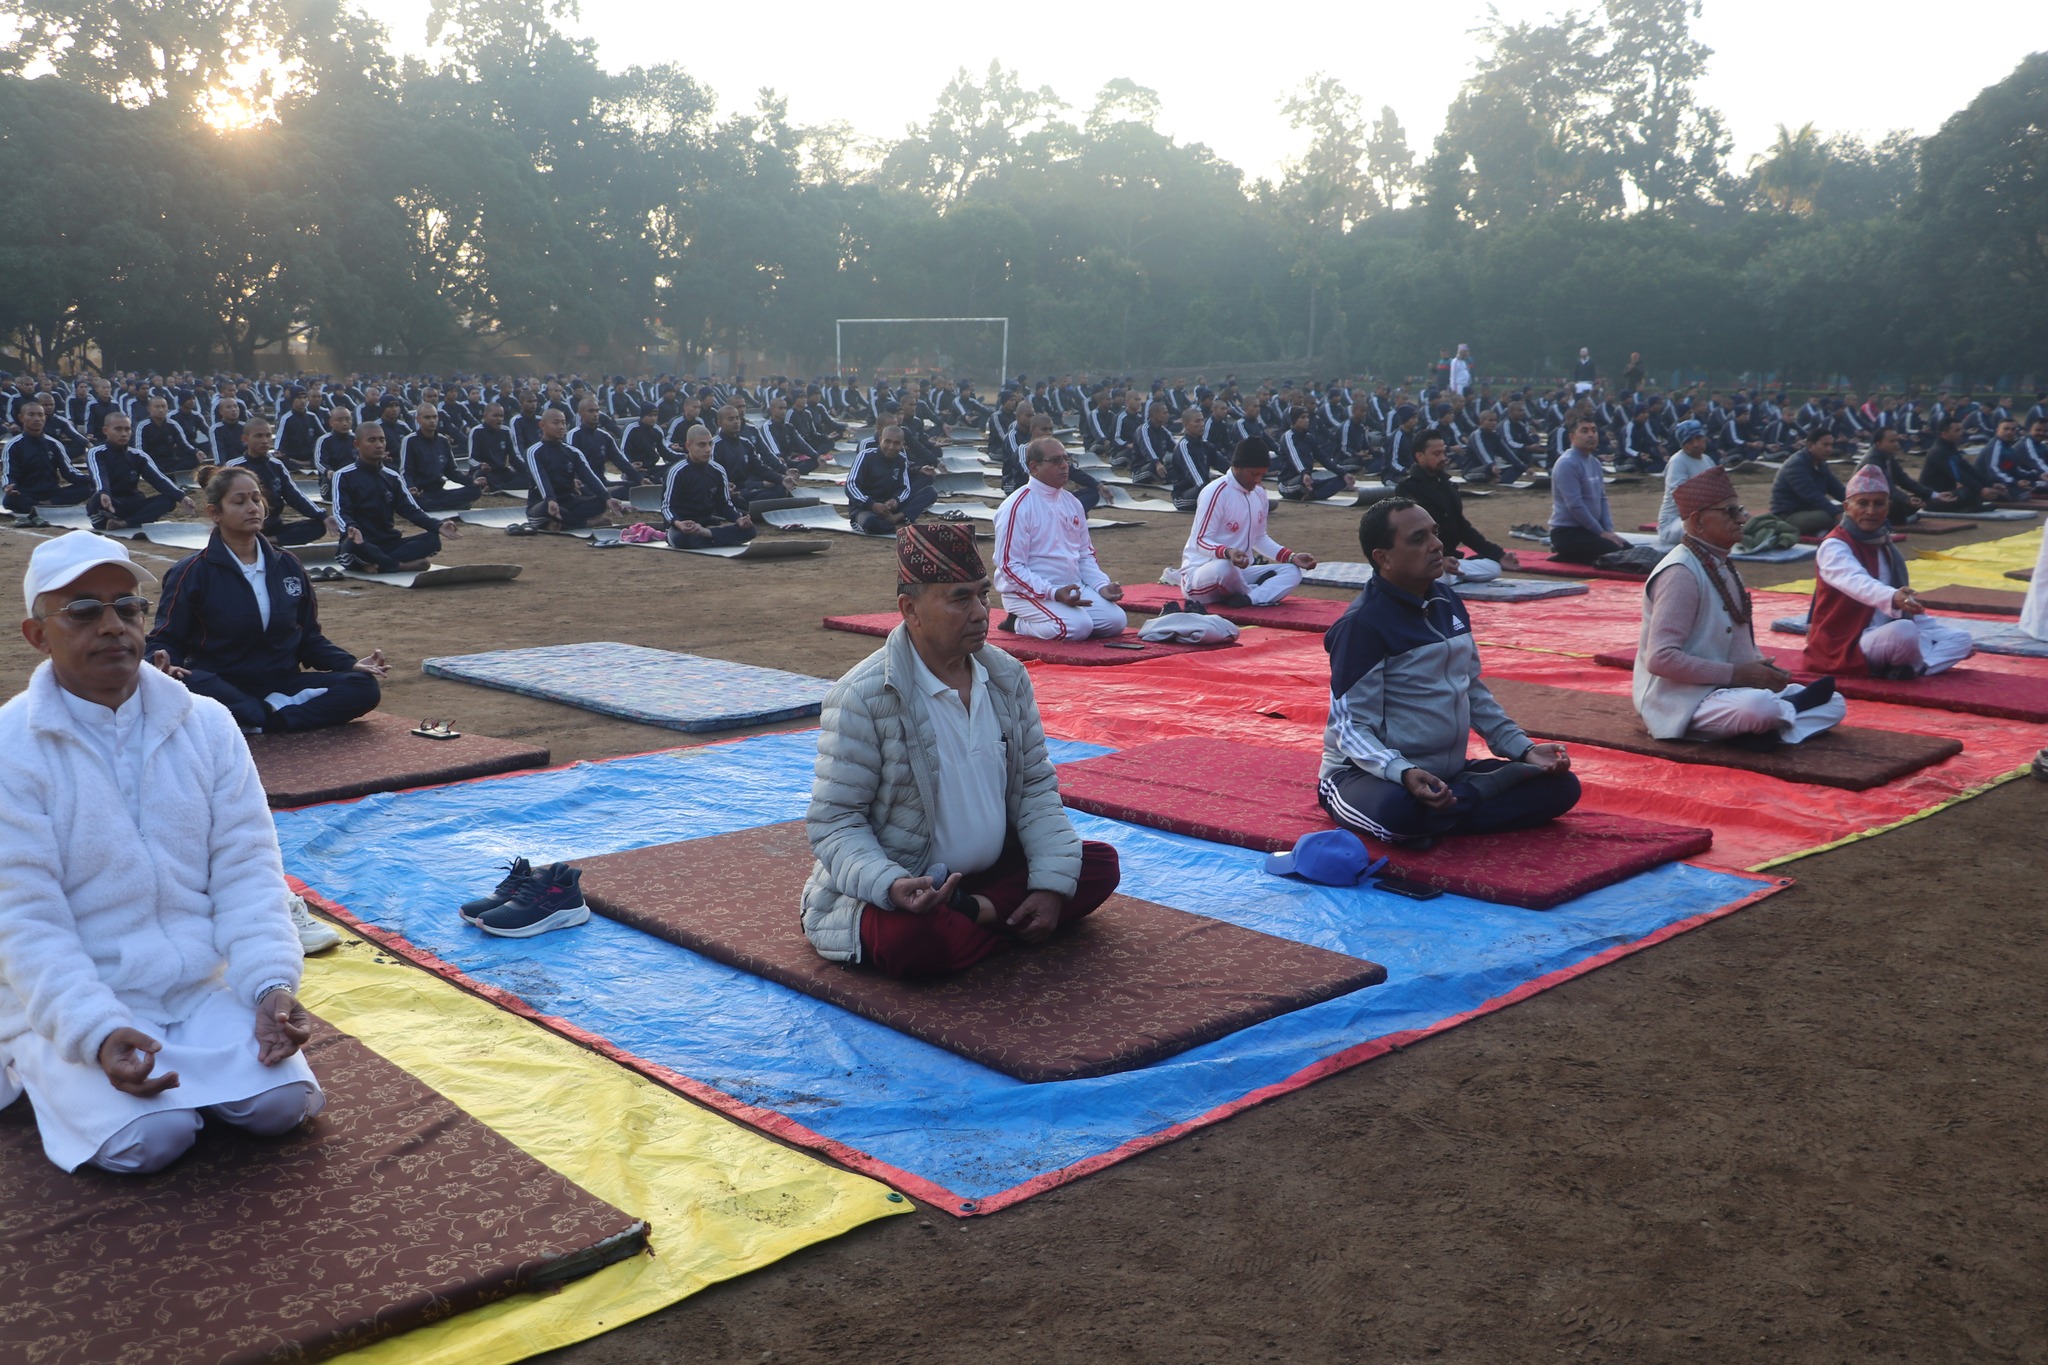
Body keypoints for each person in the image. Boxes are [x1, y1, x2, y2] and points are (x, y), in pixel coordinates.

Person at [1, 531, 323, 1173]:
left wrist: (267, 983)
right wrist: (93, 1031)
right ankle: (35, 1055)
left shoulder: (206, 723)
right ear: (37, 635)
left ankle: (191, 1068)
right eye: (84, 610)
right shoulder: (11, 746)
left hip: (194, 988)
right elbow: (24, 919)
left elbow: (248, 870)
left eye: (128, 607)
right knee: (152, 1141)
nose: (113, 625)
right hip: (73, 996)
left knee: (283, 1105)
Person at [800, 524, 1122, 978]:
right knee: (917, 941)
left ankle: (976, 915)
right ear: (909, 609)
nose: (980, 613)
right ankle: (999, 921)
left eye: (981, 595)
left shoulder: (1007, 677)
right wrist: (890, 885)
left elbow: (1034, 785)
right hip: (913, 886)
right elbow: (835, 822)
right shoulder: (862, 695)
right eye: (959, 599)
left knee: (1096, 865)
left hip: (985, 880)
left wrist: (1049, 886)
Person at [1317, 498, 1579, 845]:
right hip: (1367, 774)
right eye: (1418, 538)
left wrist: (1523, 750)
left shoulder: (1447, 601)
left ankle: (1452, 804)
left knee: (1561, 787)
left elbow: (1471, 689)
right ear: (1383, 558)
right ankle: (1469, 797)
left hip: (1446, 772)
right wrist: (1403, 771)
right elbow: (1351, 728)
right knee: (1401, 815)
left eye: (1435, 534)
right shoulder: (1362, 626)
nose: (1437, 544)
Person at [148, 467, 386, 733]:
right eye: (240, 501)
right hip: (222, 685)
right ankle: (261, 713)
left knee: (363, 687)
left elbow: (308, 637)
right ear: (215, 513)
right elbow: (165, 638)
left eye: (256, 499)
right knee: (188, 683)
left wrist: (349, 663)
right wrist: (164, 667)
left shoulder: (287, 565)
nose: (253, 508)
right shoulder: (191, 572)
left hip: (281, 682)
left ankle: (265, 720)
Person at [1632, 467, 1846, 742]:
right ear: (1698, 521)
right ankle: (1777, 719)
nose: (1743, 518)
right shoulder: (1680, 573)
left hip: (1730, 690)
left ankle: (1771, 729)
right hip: (1683, 699)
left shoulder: (1721, 565)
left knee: (1836, 702)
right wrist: (1738, 674)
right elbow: (1661, 659)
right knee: (1759, 708)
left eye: (1740, 509)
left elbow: (1735, 646)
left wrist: (1762, 671)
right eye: (1730, 512)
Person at [1804, 466, 1974, 679]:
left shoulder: (1885, 544)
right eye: (1863, 503)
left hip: (1886, 629)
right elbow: (1856, 581)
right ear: (1847, 506)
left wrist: (1911, 609)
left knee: (1962, 639)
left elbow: (1906, 612)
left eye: (1878, 504)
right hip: (1847, 641)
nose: (1871, 511)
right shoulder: (1835, 546)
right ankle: (1915, 664)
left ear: (1888, 507)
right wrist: (1893, 597)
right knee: (1904, 631)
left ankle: (1914, 668)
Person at [992, 437, 1126, 641]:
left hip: (1071, 588)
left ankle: (1060, 616)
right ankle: (1017, 623)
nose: (1064, 466)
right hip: (1026, 593)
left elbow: (1084, 555)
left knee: (1116, 622)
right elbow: (1010, 567)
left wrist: (1101, 586)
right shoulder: (1017, 506)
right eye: (1056, 461)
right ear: (1034, 467)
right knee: (1077, 628)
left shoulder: (1072, 502)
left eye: (1066, 459)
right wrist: (1053, 593)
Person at [1176, 438, 1318, 605]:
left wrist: (1291, 556)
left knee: (1292, 571)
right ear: (1237, 468)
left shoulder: (1259, 494)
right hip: (1202, 574)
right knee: (1225, 567)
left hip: (1239, 573)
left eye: (1262, 474)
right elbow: (1201, 541)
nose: (1258, 480)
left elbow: (1259, 538)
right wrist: (1228, 552)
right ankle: (1252, 592)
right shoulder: (1215, 492)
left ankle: (1248, 598)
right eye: (1254, 474)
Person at [331, 423, 463, 572]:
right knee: (354, 547)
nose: (379, 445)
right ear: (357, 444)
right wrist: (351, 528)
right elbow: (341, 512)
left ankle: (379, 564)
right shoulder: (343, 476)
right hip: (360, 542)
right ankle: (399, 565)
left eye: (382, 440)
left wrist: (438, 525)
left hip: (389, 543)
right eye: (372, 440)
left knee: (432, 540)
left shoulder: (392, 476)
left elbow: (411, 510)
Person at [1394, 433, 1518, 582]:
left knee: (1493, 568)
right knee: (1436, 579)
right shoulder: (1406, 489)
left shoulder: (1447, 485)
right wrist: (1439, 558)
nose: (1443, 458)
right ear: (1420, 456)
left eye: (1444, 452)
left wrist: (1499, 555)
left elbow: (1463, 528)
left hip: (1447, 560)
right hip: (1422, 561)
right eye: (1436, 453)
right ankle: (1447, 574)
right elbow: (1414, 535)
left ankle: (1452, 573)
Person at [224, 418, 336, 546]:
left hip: (274, 527)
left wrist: (323, 516)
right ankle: (251, 540)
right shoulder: (234, 467)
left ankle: (266, 542)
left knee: (318, 527)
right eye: (258, 436)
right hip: (246, 524)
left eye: (267, 436)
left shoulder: (276, 465)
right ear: (245, 439)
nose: (264, 441)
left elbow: (294, 496)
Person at [522, 407, 629, 531]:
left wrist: (607, 498)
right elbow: (541, 478)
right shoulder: (533, 452)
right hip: (543, 503)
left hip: (568, 502)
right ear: (542, 425)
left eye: (563, 422)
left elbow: (589, 476)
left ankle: (560, 523)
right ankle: (585, 524)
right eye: (555, 423)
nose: (561, 427)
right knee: (547, 508)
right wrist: (550, 499)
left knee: (601, 501)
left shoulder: (572, 452)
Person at [87, 412, 196, 531]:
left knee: (169, 500)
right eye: (118, 429)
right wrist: (104, 492)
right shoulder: (97, 453)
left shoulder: (138, 456)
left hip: (132, 503)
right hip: (108, 503)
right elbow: (99, 475)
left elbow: (159, 479)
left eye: (127, 429)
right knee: (97, 498)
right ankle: (132, 519)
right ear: (105, 430)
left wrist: (182, 497)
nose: (123, 434)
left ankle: (124, 523)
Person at [659, 424, 756, 549]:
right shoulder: (677, 472)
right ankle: (714, 537)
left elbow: (724, 503)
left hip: (707, 524)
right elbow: (666, 506)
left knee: (750, 530)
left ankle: (707, 534)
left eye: (710, 444)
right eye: (702, 445)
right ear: (688, 446)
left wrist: (739, 519)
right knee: (685, 539)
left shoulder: (717, 470)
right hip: (683, 527)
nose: (708, 449)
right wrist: (679, 523)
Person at [1548, 416, 1626, 563]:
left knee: (1627, 549)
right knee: (1616, 555)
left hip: (1589, 531)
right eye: (1584, 431)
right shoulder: (1567, 464)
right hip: (1568, 533)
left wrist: (1609, 531)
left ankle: (1573, 555)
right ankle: (1567, 553)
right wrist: (1601, 532)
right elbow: (1575, 505)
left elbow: (1602, 498)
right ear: (1572, 437)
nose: (1591, 435)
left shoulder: (1595, 463)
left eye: (1593, 430)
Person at [3, 400, 96, 525]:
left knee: (90, 487)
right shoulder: (13, 445)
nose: (37, 419)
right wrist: (9, 486)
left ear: (45, 418)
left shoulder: (54, 444)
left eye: (40, 415)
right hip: (26, 493)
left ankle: (41, 507)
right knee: (10, 500)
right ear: (21, 418)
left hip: (52, 493)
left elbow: (69, 473)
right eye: (31, 415)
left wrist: (95, 478)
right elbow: (9, 473)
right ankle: (41, 507)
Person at [846, 424, 939, 535]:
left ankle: (896, 518)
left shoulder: (901, 459)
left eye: (896, 443)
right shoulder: (865, 456)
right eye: (887, 442)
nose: (891, 447)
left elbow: (904, 487)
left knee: (930, 492)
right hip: (865, 508)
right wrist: (872, 504)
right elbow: (851, 486)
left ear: (902, 445)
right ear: (880, 440)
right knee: (871, 523)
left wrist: (896, 499)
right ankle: (896, 524)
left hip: (890, 507)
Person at [400, 405, 484, 512]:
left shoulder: (443, 440)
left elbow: (452, 471)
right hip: (421, 492)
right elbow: (405, 472)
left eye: (435, 417)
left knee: (475, 491)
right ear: (418, 419)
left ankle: (440, 505)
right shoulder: (410, 441)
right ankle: (451, 505)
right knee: (419, 500)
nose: (432, 421)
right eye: (427, 417)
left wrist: (472, 481)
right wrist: (410, 488)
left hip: (440, 491)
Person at [1769, 429, 1848, 535]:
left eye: (1831, 445)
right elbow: (1811, 495)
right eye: (1825, 445)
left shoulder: (1821, 464)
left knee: (1851, 511)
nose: (1830, 449)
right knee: (1831, 516)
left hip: (1810, 510)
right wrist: (1837, 513)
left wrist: (1854, 503)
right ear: (1810, 445)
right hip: (1788, 516)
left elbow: (1837, 489)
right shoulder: (1796, 465)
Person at [1655, 419, 1717, 546]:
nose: (1695, 444)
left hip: (1701, 518)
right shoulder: (1678, 461)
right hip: (1674, 524)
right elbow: (1679, 494)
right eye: (1689, 441)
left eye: (1698, 438)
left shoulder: (1708, 460)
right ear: (1682, 445)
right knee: (1711, 527)